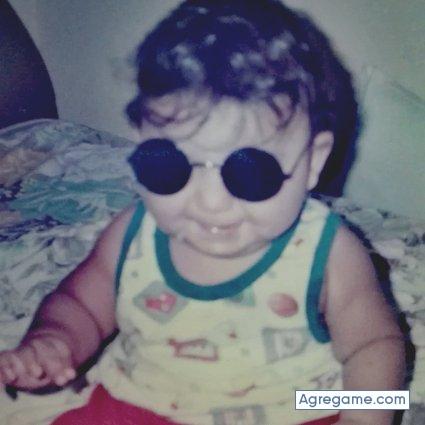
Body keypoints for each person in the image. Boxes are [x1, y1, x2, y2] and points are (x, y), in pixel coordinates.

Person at [0, 1, 405, 424]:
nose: (209, 202)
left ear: (313, 161)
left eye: (251, 173)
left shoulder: (329, 250)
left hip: (290, 408)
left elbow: (374, 345)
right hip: (142, 399)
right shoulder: (132, 235)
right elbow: (80, 303)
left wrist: (362, 418)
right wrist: (54, 339)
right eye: (170, 164)